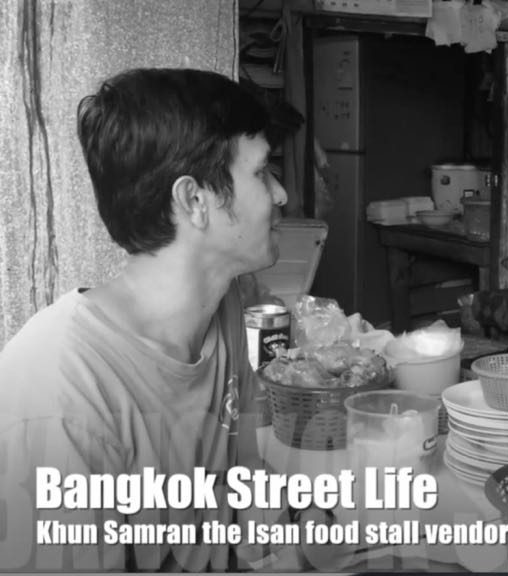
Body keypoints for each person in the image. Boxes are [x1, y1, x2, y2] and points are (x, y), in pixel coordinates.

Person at [0, 68, 333, 571]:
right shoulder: (60, 395)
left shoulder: (231, 304)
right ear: (194, 200)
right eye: (263, 173)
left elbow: (246, 472)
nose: (281, 194)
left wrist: (295, 516)